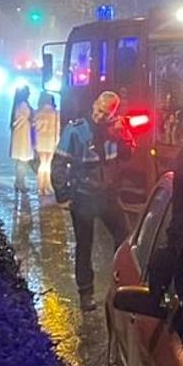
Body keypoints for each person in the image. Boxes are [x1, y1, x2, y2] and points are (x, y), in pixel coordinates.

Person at [52, 91, 136, 312]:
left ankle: (120, 285)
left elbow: (128, 155)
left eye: (105, 113)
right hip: (83, 195)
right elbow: (58, 163)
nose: (99, 115)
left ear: (113, 114)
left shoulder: (116, 129)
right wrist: (63, 195)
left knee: (124, 237)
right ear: (93, 104)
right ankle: (86, 294)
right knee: (84, 245)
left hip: (107, 194)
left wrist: (123, 136)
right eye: (98, 110)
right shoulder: (76, 129)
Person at [33, 92, 60, 200]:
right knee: (48, 164)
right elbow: (57, 129)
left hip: (40, 141)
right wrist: (57, 142)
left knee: (42, 163)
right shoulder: (56, 113)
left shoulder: (37, 112)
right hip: (50, 141)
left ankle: (40, 187)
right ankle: (47, 186)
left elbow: (34, 128)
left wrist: (34, 142)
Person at [9, 86, 35, 192]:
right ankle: (20, 184)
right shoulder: (23, 106)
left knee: (21, 162)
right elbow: (24, 118)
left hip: (21, 136)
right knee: (22, 162)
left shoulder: (19, 105)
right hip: (23, 137)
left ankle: (18, 182)